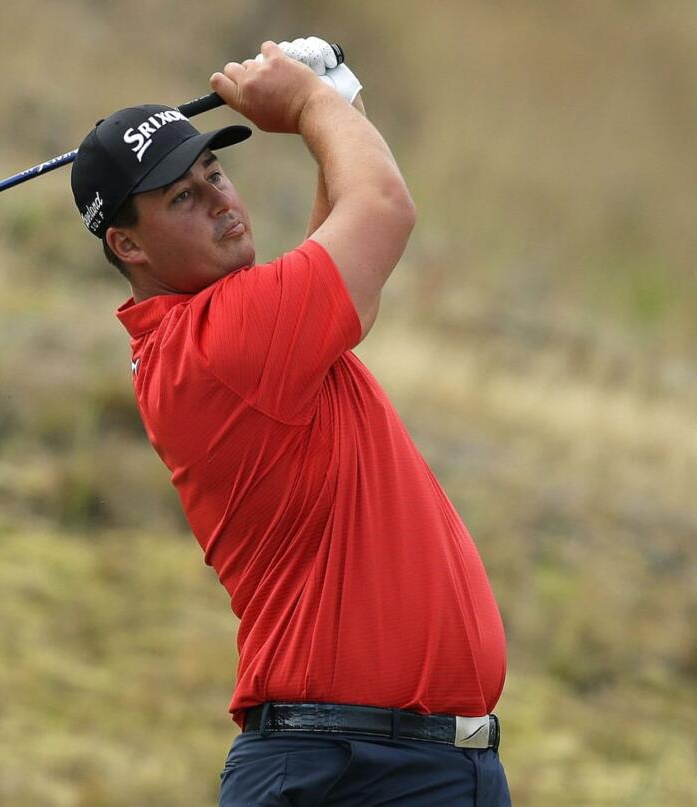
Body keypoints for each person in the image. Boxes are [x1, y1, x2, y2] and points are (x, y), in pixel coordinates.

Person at [69, 40, 511, 805]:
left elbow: (348, 233)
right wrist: (309, 105)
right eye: (181, 197)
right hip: (341, 768)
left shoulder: (234, 337)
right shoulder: (220, 344)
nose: (220, 202)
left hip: (404, 763)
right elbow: (381, 210)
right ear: (128, 244)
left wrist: (336, 97)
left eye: (214, 173)